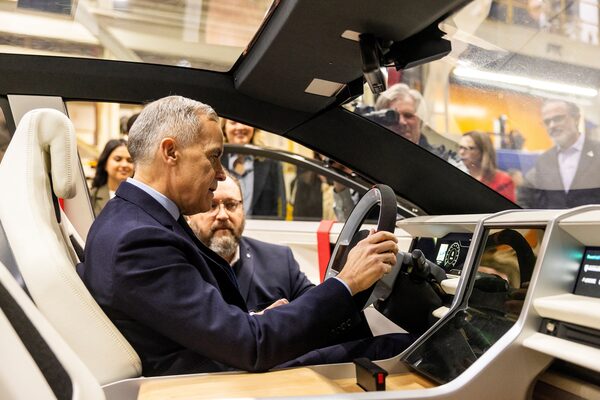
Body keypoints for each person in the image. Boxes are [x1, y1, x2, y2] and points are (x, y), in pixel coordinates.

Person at [79, 95, 412, 377]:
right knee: (396, 349)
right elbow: (251, 346)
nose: (221, 173)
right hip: (213, 383)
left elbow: (197, 323)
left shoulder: (136, 220)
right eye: (214, 156)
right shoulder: (139, 239)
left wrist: (254, 319)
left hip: (215, 365)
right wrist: (347, 282)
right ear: (170, 152)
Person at [187, 171, 315, 312]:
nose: (223, 215)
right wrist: (262, 320)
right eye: (211, 205)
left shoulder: (280, 261)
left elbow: (317, 307)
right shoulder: (178, 265)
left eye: (231, 205)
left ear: (243, 210)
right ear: (189, 216)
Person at [517, 99, 600, 208]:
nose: (552, 125)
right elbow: (525, 198)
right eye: (547, 122)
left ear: (576, 119)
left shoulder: (597, 151)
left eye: (558, 118)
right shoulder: (544, 160)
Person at [221, 119, 286, 218]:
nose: (240, 127)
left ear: (254, 128)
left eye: (245, 122)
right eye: (233, 123)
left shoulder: (272, 162)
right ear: (224, 128)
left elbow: (280, 206)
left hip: (261, 227)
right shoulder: (213, 161)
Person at [458, 131, 515, 202]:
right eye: (460, 147)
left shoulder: (503, 181)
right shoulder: (458, 177)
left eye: (470, 148)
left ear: (483, 152)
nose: (461, 152)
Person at [89, 139, 134, 215]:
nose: (124, 165)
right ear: (105, 164)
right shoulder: (90, 197)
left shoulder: (141, 199)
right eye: (118, 159)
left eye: (130, 160)